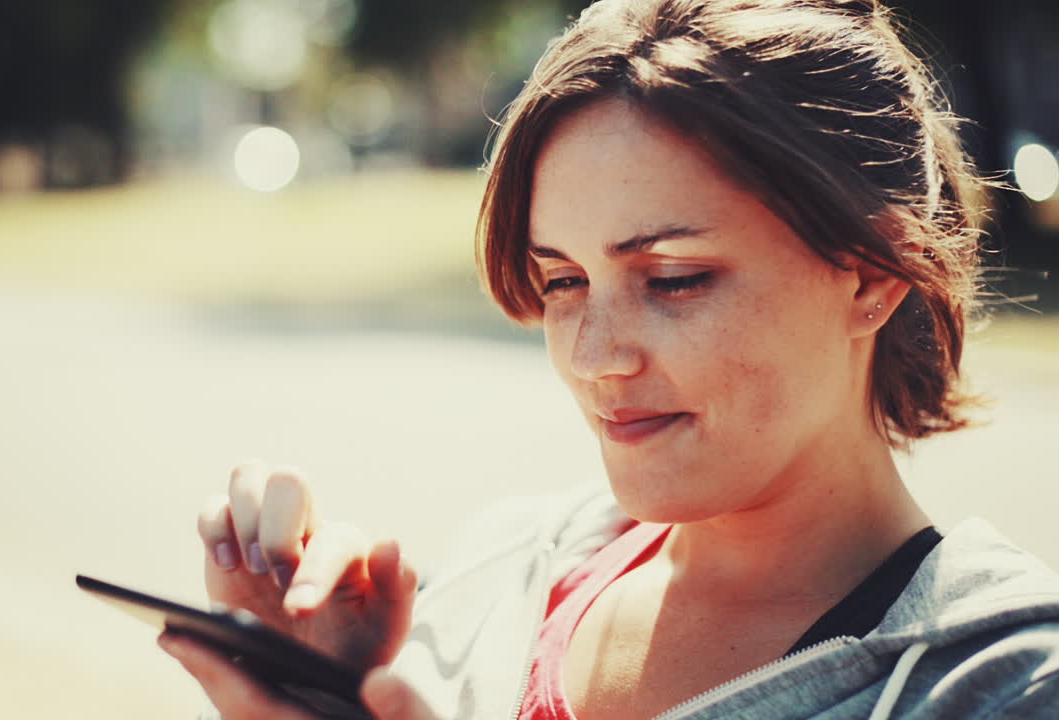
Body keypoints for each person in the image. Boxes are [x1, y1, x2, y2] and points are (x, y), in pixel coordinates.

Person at [158, 0, 1059, 717]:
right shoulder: (496, 572)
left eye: (672, 279)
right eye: (562, 281)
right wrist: (327, 692)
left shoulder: (1005, 683)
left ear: (872, 273)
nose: (594, 359)